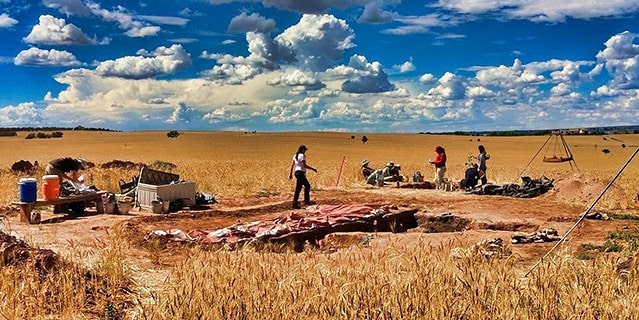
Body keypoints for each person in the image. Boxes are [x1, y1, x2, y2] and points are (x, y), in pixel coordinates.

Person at [289, 145, 317, 209]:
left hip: (297, 173)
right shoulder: (302, 156)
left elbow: (292, 165)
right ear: (302, 149)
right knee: (305, 186)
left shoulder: (295, 155)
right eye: (305, 150)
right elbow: (304, 166)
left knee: (301, 187)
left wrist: (290, 174)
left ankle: (302, 201)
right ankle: (297, 203)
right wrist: (313, 169)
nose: (305, 151)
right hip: (300, 173)